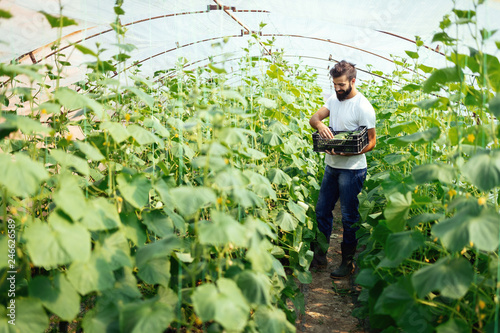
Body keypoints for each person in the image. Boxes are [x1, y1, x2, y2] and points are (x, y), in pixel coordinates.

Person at [309, 60, 376, 278]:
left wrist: (349, 152)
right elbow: (315, 117)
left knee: (348, 217)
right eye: (334, 84)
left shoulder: (363, 107)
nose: (337, 89)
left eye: (341, 85)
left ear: (353, 81)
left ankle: (347, 263)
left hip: (353, 169)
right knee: (322, 211)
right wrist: (320, 124)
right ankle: (319, 258)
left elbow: (372, 142)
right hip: (331, 167)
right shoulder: (333, 100)